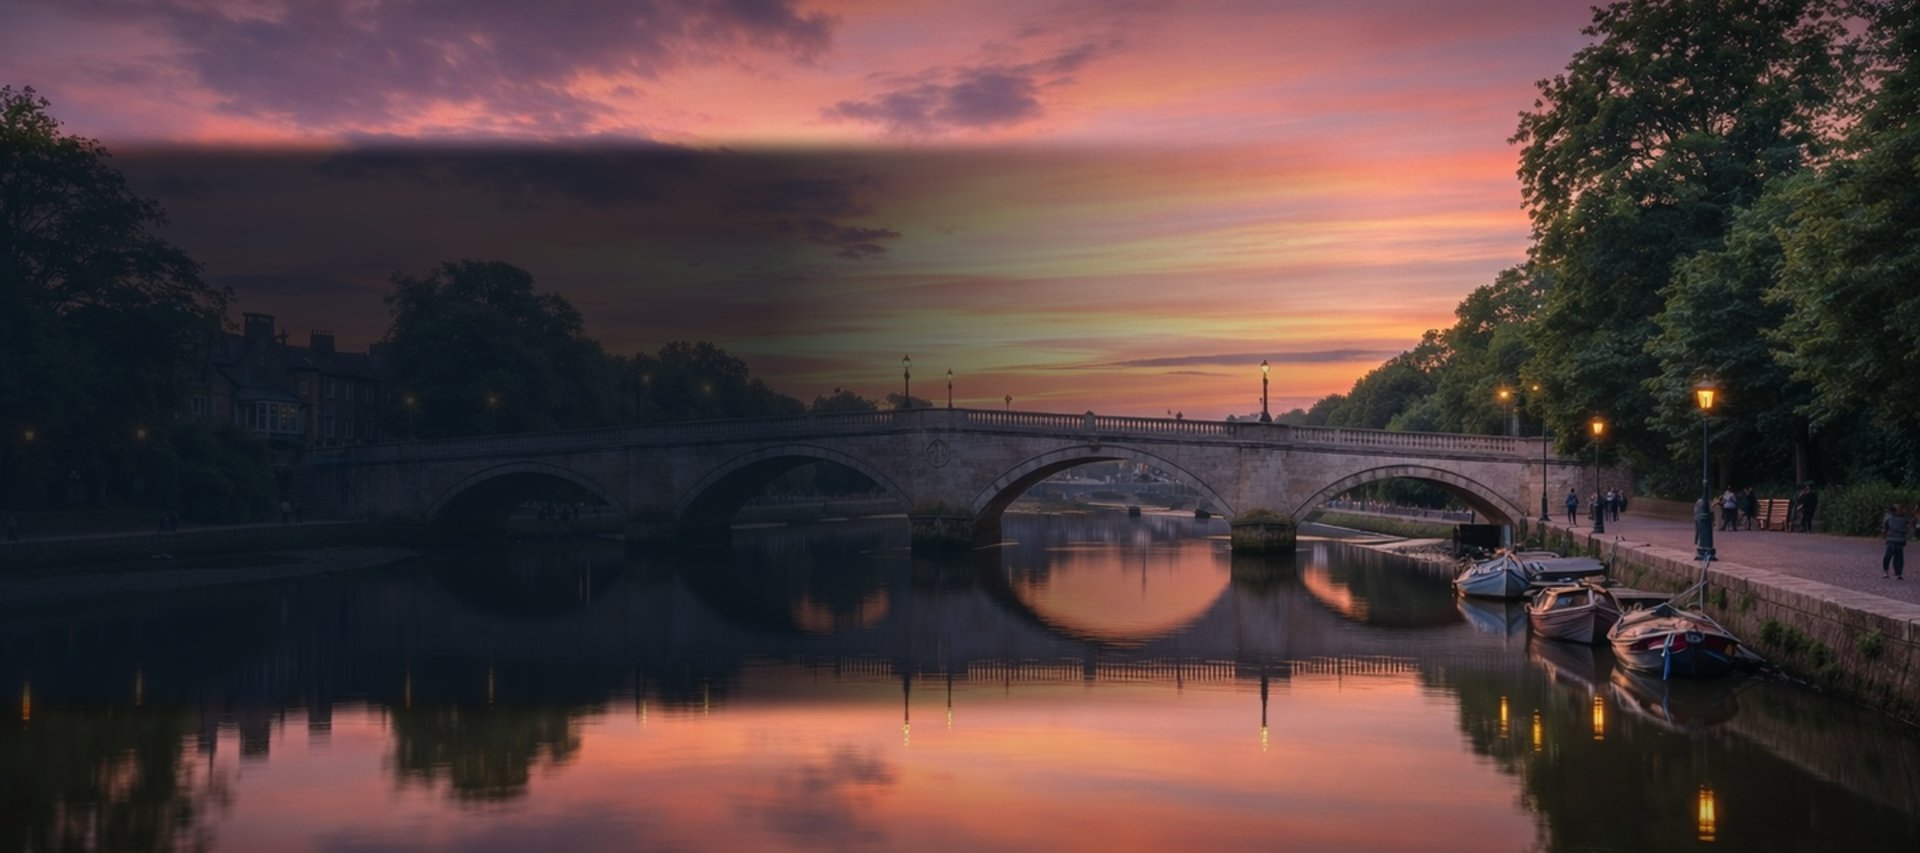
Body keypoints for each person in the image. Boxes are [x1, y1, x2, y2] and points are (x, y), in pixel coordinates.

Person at [1883, 504, 1909, 579]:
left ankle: (1898, 573)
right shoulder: (1890, 517)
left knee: (1898, 557)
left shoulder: (1903, 518)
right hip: (1893, 539)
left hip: (1898, 539)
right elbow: (1885, 527)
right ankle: (1887, 571)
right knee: (1889, 556)